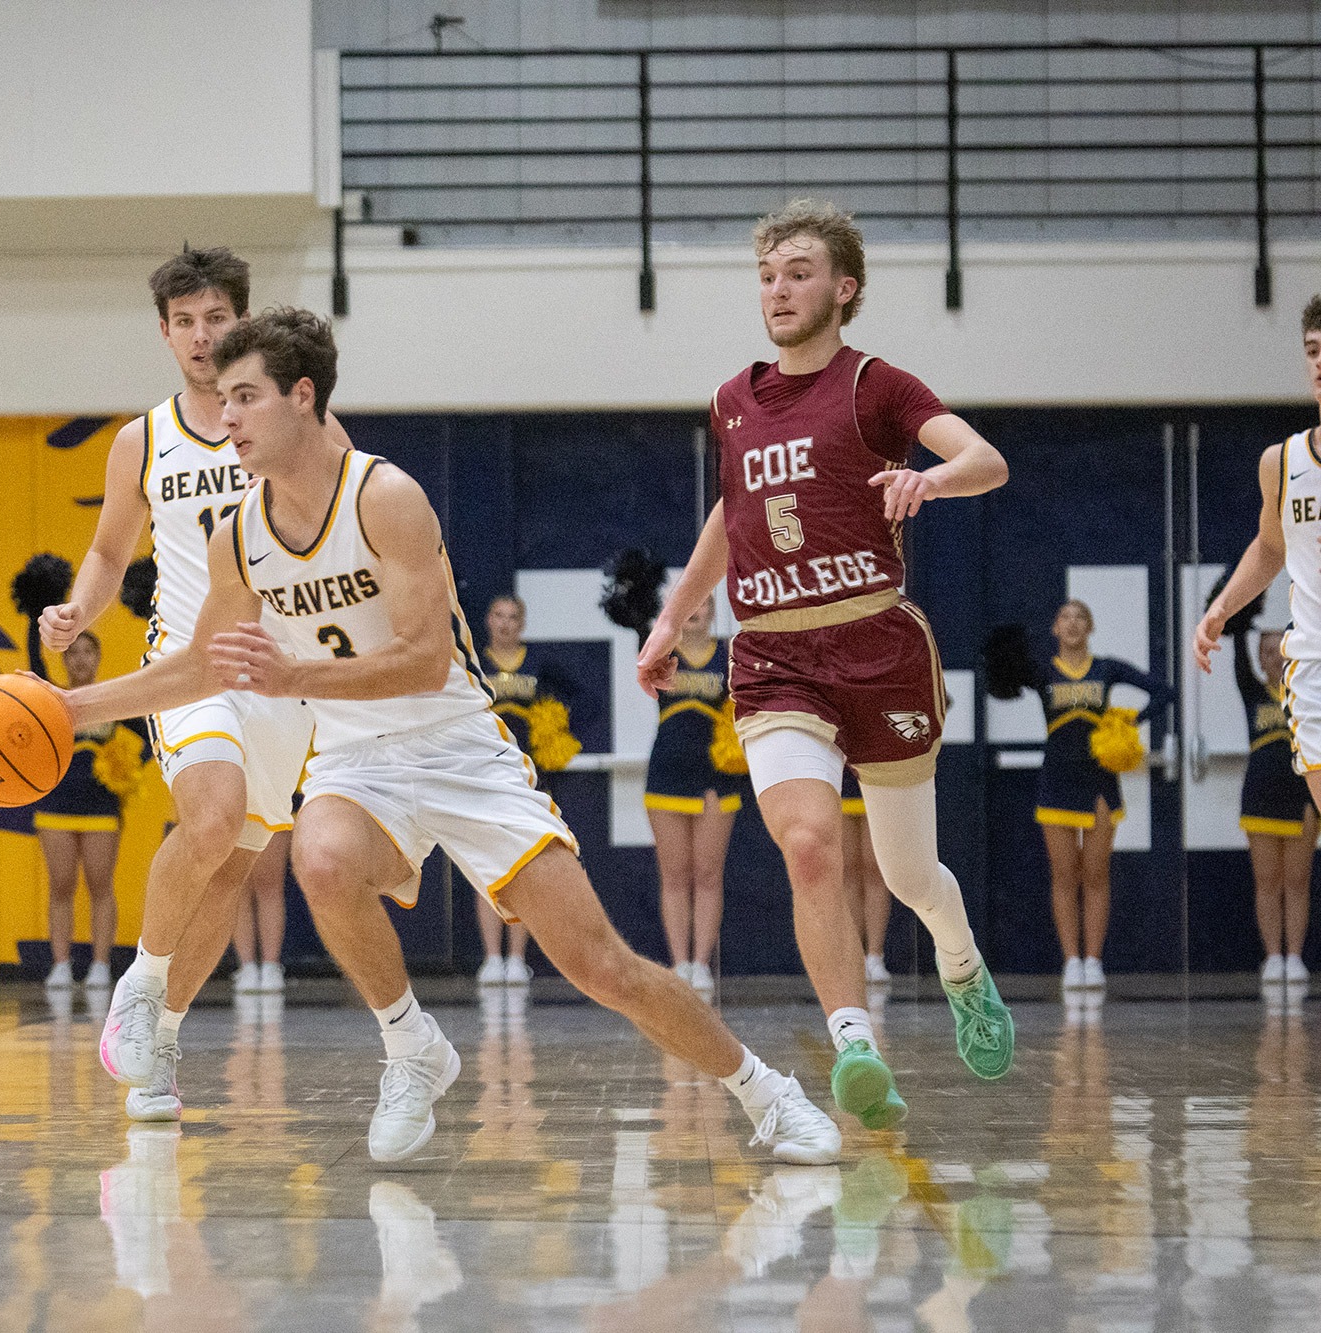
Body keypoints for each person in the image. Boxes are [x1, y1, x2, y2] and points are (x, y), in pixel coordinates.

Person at [55, 307, 840, 1166]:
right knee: (319, 856)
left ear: (303, 397)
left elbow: (424, 662)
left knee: (599, 965)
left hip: (457, 746)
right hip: (355, 760)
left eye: (246, 396)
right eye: (223, 398)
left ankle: (768, 1093)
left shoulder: (385, 498)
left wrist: (296, 679)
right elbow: (202, 665)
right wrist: (72, 709)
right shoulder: (238, 536)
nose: (227, 416)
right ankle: (410, 1044)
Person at [639, 198, 1016, 1133]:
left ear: (844, 288)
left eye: (799, 271)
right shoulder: (733, 400)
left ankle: (963, 968)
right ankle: (856, 1045)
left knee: (907, 872)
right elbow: (732, 516)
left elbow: (987, 458)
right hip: (773, 654)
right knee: (808, 845)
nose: (778, 289)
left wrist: (932, 477)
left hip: (877, 644)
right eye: (767, 273)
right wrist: (672, 615)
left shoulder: (875, 386)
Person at [38, 247, 351, 1122]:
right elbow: (108, 550)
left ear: (243, 321)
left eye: (217, 317)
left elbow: (346, 525)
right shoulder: (142, 440)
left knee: (232, 868)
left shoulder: (303, 422)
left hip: (284, 674)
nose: (202, 334)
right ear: (165, 334)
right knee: (207, 819)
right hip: (190, 659)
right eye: (185, 321)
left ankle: (162, 1040)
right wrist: (78, 609)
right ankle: (139, 986)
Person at [1197, 295, 1321, 978]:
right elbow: (1271, 547)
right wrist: (1219, 609)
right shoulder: (1282, 462)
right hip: (1314, 669)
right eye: (1312, 350)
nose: (1320, 363)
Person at [1029, 599, 1170, 990]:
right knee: (1063, 876)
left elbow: (1163, 692)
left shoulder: (1108, 669)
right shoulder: (1043, 671)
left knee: (1095, 874)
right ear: (1055, 628)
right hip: (1056, 781)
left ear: (1090, 628)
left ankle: (1093, 960)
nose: (1072, 624)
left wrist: (1128, 722)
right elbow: (1002, 677)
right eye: (1065, 618)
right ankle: (1071, 961)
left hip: (1099, 783)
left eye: (1080, 618)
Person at [27, 630, 146, 991]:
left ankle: (100, 964)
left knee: (100, 885)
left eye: (87, 652)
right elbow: (35, 661)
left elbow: (151, 737)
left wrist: (128, 767)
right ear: (63, 659)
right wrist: (35, 618)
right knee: (60, 885)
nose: (80, 659)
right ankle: (61, 964)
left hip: (101, 808)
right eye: (73, 653)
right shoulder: (53, 699)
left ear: (98, 657)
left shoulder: (112, 701)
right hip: (54, 806)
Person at [643, 595, 744, 997]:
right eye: (691, 603)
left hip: (717, 776)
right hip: (666, 773)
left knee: (707, 874)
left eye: (704, 603)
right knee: (675, 874)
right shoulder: (661, 651)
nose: (697, 610)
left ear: (714, 610)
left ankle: (702, 964)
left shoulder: (730, 655)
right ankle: (679, 963)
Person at [476, 594, 578, 984]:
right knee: (487, 867)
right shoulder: (475, 663)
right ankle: (491, 958)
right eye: (498, 615)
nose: (504, 623)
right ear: (487, 621)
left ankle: (517, 957)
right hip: (483, 774)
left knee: (523, 865)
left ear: (522, 623)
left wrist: (557, 735)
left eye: (512, 616)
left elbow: (578, 700)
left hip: (527, 777)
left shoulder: (540, 665)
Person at [1234, 627, 1315, 983]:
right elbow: (1237, 653)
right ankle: (1273, 957)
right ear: (1260, 659)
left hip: (1302, 795)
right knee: (1266, 882)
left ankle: (1295, 956)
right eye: (1268, 652)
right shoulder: (1252, 692)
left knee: (1297, 881)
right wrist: (1236, 618)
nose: (1276, 658)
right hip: (1260, 795)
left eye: (1282, 651)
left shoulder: (1309, 694)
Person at [839, 772, 894, 985]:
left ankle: (875, 956)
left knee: (875, 869)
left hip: (874, 772)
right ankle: (855, 958)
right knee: (848, 870)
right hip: (839, 771)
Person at [232, 829, 289, 993]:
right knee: (238, 885)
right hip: (236, 808)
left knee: (268, 884)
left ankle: (269, 967)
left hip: (272, 807)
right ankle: (248, 967)